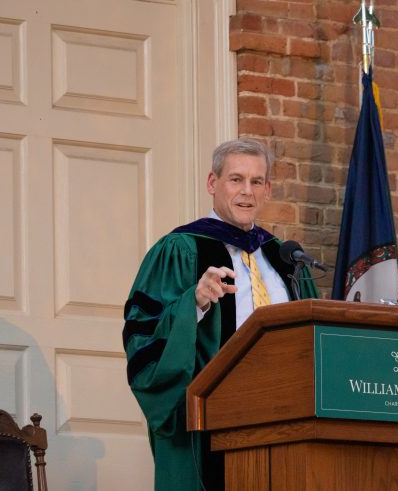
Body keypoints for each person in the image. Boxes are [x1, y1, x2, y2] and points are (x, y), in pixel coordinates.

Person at [122, 138, 318, 491]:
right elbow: (143, 335)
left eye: (256, 182)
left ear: (268, 190)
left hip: (284, 416)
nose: (247, 192)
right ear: (213, 183)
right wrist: (193, 303)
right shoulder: (181, 249)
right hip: (211, 419)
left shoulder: (284, 259)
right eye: (236, 179)